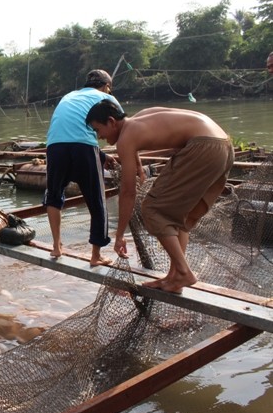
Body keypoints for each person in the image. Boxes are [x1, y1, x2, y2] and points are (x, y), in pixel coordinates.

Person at [85, 100, 234, 294]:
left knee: (152, 208)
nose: (100, 137)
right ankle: (175, 277)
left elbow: (128, 191)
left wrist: (120, 234)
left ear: (111, 121)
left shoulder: (125, 140)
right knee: (179, 216)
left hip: (203, 146)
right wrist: (137, 162)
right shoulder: (143, 115)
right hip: (223, 145)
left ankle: (183, 272)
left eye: (98, 130)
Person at [42, 69, 122, 266]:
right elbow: (123, 126)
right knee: (97, 200)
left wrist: (101, 155)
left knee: (53, 195)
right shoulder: (105, 97)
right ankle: (96, 256)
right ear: (107, 86)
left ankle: (56, 246)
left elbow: (70, 131)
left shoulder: (68, 96)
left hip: (54, 146)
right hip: (84, 147)